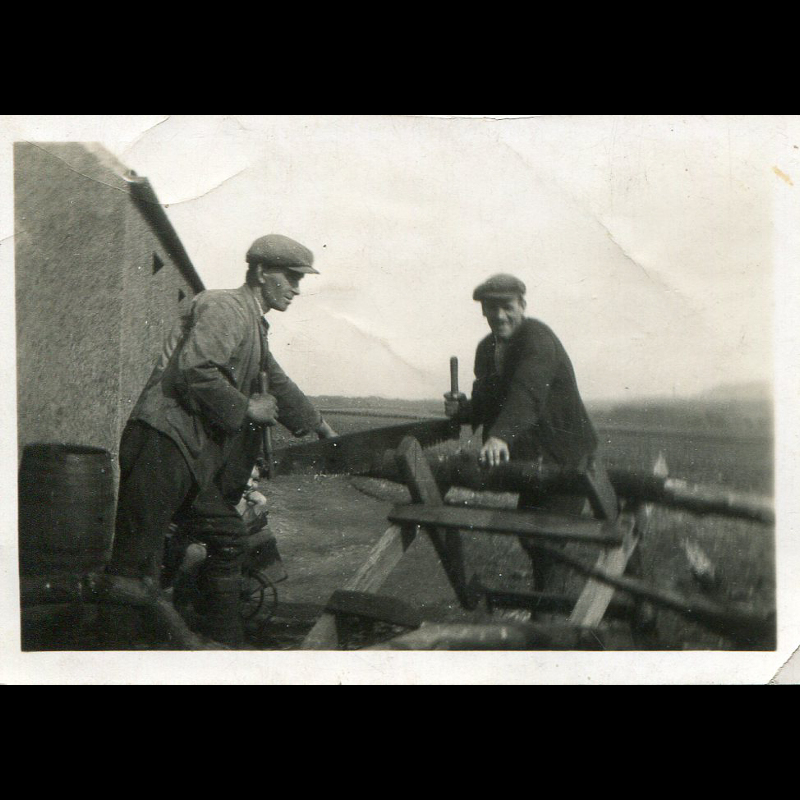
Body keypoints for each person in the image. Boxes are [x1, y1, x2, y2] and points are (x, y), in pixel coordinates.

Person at [106, 234, 337, 646]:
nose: (297, 289)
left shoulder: (253, 324)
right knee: (134, 560)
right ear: (261, 272)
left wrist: (320, 428)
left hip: (190, 456)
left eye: (300, 280)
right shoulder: (226, 307)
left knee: (228, 535)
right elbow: (196, 368)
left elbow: (277, 382)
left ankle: (222, 641)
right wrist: (248, 408)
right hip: (162, 442)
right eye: (291, 277)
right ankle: (111, 649)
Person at [444, 274, 598, 586]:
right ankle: (551, 605)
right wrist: (463, 410)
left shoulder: (537, 340)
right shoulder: (486, 349)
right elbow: (488, 402)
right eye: (491, 308)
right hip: (533, 460)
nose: (499, 315)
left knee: (545, 541)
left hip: (567, 458)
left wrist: (500, 437)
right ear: (483, 311)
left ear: (522, 305)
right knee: (533, 539)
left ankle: (552, 612)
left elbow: (527, 393)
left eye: (507, 306)